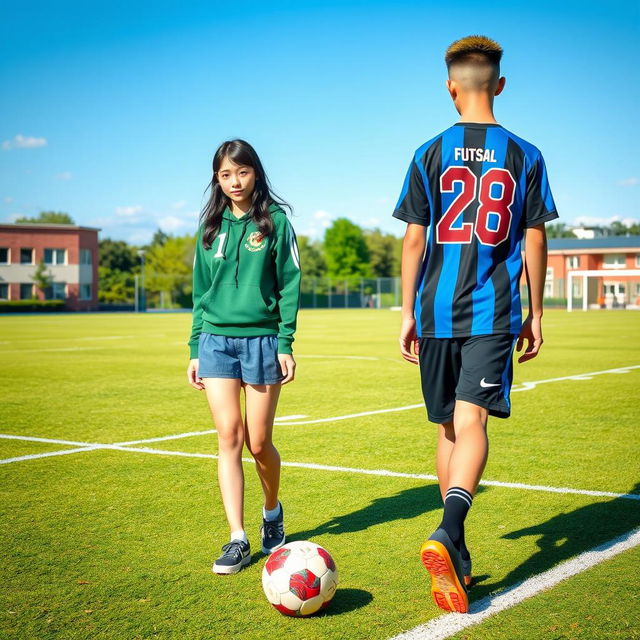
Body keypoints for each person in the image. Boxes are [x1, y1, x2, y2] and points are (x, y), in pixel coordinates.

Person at [393, 35, 558, 613]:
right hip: (492, 312)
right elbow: (534, 235)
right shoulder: (526, 154)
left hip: (436, 309)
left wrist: (408, 310)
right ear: (501, 84)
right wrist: (536, 311)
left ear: (450, 87)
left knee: (445, 429)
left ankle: (455, 548)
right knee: (472, 424)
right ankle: (450, 529)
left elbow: (415, 236)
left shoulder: (428, 152)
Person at [187, 139, 301, 574]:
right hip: (216, 341)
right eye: (225, 175)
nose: (235, 182)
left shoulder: (275, 222)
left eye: (242, 172)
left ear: (256, 173)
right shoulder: (210, 227)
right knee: (228, 437)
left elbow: (289, 284)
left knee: (258, 442)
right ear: (217, 180)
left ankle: (272, 510)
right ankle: (237, 537)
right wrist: (196, 347)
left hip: (263, 341)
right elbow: (201, 293)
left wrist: (286, 342)